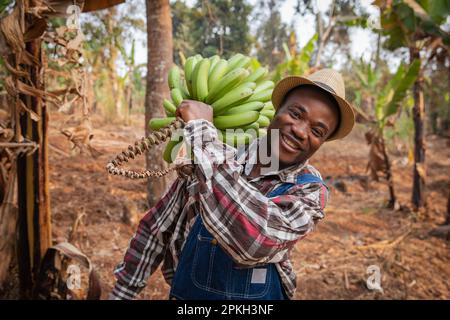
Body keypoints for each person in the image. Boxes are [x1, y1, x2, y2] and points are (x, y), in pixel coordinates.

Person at [109, 68, 355, 300]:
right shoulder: (220, 154)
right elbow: (157, 228)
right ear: (277, 110)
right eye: (296, 113)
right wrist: (122, 292)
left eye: (318, 131)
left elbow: (255, 242)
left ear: (322, 142)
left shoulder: (310, 191)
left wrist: (202, 134)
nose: (301, 131)